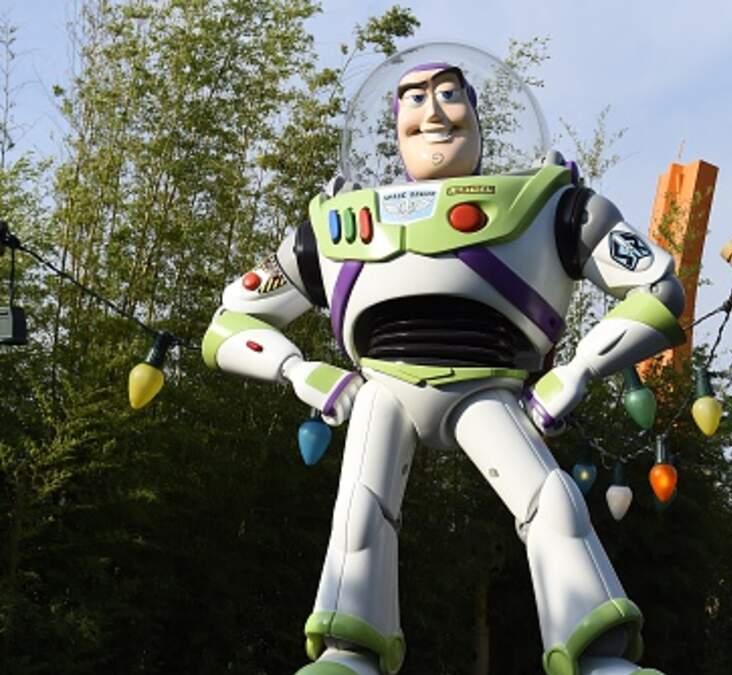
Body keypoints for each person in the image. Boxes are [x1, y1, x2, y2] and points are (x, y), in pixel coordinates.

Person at [201, 61, 684, 675]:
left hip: (486, 387)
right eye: (414, 100)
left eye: (449, 95)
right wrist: (301, 372)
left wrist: (581, 368)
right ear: (394, 124)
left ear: (477, 115)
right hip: (383, 387)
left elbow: (657, 290)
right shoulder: (333, 226)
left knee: (555, 505)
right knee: (358, 514)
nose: (432, 113)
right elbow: (230, 324)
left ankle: (596, 653)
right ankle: (349, 652)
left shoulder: (553, 207)